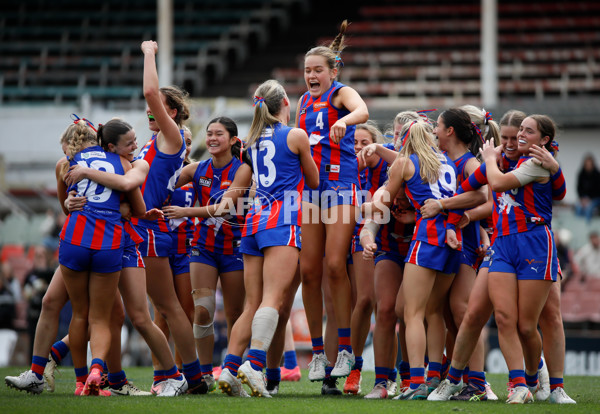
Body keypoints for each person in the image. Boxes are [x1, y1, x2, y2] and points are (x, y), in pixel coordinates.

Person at [62, 118, 188, 396]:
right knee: (89, 312)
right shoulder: (95, 164)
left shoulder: (133, 164)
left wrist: (85, 173)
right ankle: (108, 378)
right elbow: (70, 200)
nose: (136, 145)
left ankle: (175, 376)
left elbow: (131, 191)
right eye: (129, 143)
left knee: (139, 316)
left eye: (135, 139)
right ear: (110, 147)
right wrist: (69, 202)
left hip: (121, 244)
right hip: (103, 243)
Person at [214, 79, 318, 398]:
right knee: (274, 299)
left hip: (253, 223)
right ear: (285, 102)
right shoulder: (296, 135)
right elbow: (313, 180)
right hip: (282, 221)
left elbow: (239, 189)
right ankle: (254, 365)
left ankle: (231, 369)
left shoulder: (251, 140)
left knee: (252, 304)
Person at [362, 120, 461, 400]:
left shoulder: (405, 163)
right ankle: (432, 378)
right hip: (452, 238)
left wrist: (354, 205)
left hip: (427, 236)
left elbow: (384, 201)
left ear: (404, 140)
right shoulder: (447, 163)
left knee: (412, 313)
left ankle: (416, 381)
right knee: (433, 311)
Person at [295, 20, 369, 391]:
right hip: (311, 192)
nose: (311, 75)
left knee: (336, 265)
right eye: (307, 70)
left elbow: (363, 111)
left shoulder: (341, 95)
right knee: (310, 271)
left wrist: (347, 123)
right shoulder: (304, 102)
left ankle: (345, 350)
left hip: (341, 187)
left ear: (333, 71)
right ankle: (318, 353)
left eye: (317, 70)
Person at [133, 40, 204, 393]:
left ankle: (185, 376)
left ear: (171, 112)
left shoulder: (171, 137)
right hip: (139, 227)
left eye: (158, 108)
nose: (151, 111)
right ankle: (177, 376)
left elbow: (149, 91)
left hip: (148, 229)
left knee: (167, 308)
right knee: (150, 311)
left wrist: (149, 53)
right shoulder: (154, 142)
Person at [163, 116, 250, 394]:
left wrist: (185, 212)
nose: (212, 138)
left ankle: (232, 370)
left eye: (218, 134)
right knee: (202, 310)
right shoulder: (197, 168)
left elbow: (226, 208)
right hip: (203, 247)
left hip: (235, 248)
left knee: (236, 314)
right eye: (209, 134)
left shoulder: (243, 170)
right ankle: (203, 374)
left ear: (233, 141)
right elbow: (160, 185)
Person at [575, 153, 600, 223]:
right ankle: (578, 226)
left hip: (595, 199)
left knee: (589, 208)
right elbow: (579, 188)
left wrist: (589, 199)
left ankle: (587, 227)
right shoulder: (581, 174)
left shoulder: (597, 174)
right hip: (584, 198)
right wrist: (582, 198)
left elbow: (598, 191)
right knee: (578, 207)